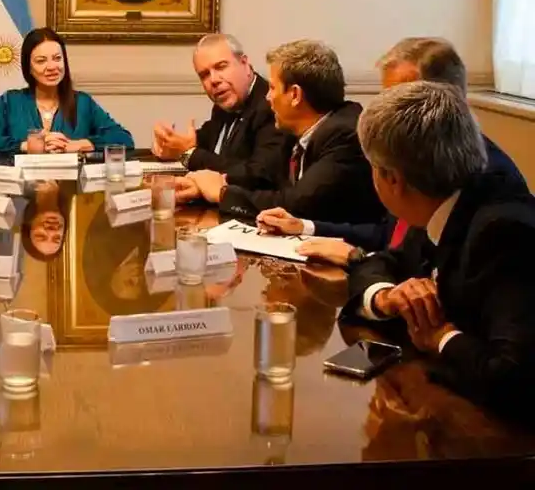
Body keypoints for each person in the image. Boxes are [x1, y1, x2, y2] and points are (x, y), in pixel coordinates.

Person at [345, 81, 535, 425]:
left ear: (392, 179)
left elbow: (515, 379)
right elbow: (380, 262)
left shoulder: (503, 231)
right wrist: (387, 296)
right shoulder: (442, 197)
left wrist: (441, 336)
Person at [255, 37, 526, 266]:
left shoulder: (482, 179)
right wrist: (305, 227)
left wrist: (358, 258)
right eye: (386, 99)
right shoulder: (411, 156)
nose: (387, 111)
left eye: (401, 100)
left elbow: (427, 278)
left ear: (444, 102)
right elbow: (389, 235)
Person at [175, 39, 383, 224]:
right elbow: (270, 183)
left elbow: (296, 203)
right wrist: (202, 188)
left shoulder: (343, 134)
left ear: (294, 95)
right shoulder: (296, 130)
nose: (267, 97)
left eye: (273, 88)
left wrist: (222, 193)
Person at [152, 33, 290, 188]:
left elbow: (258, 174)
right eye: (204, 75)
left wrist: (189, 153)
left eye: (221, 67)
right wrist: (168, 142)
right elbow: (202, 140)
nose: (213, 80)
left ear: (244, 63)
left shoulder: (270, 105)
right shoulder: (225, 102)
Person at [0, 27, 134, 153]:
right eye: (41, 61)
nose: (52, 67)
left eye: (57, 59)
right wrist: (26, 145)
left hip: (74, 191)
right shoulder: (11, 101)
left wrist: (78, 144)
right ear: (28, 68)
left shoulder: (82, 102)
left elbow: (124, 139)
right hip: (22, 193)